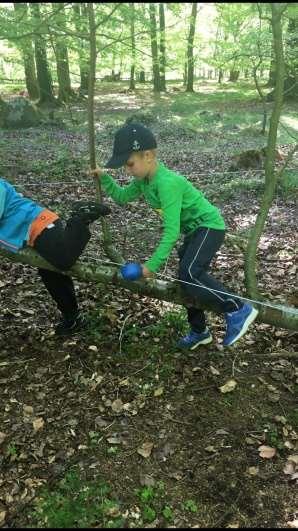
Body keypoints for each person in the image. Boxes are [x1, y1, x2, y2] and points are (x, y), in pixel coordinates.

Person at [89, 122, 259, 349]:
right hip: (194, 231)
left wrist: (152, 265)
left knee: (190, 272)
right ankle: (199, 331)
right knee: (184, 279)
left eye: (130, 164)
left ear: (148, 155)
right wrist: (105, 178)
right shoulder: (144, 180)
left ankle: (237, 309)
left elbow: (171, 231)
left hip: (210, 227)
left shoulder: (167, 184)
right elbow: (121, 196)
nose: (127, 170)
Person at [0, 177, 111, 335]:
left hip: (39, 224)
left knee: (64, 259)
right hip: (30, 232)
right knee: (50, 272)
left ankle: (80, 217)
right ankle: (72, 318)